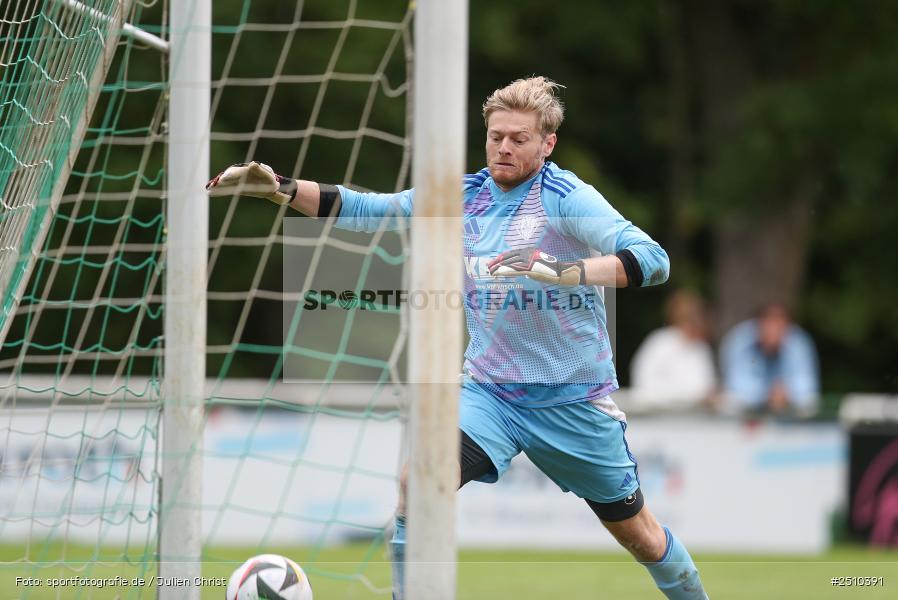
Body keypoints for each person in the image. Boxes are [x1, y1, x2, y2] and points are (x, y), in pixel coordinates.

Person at [207, 77, 709, 599]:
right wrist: (282, 188)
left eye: (519, 138)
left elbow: (653, 260)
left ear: (548, 143)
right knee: (419, 482)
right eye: (496, 136)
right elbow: (368, 210)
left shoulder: (565, 198)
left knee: (642, 538)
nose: (504, 147)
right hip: (491, 394)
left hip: (573, 404)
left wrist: (562, 270)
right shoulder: (464, 196)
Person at [719, 302, 819, 416]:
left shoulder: (799, 343)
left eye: (778, 325)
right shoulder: (739, 341)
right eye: (769, 325)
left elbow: (808, 393)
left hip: (790, 418)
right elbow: (734, 390)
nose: (773, 331)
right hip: (744, 418)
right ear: (757, 325)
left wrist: (788, 395)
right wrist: (766, 396)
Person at [630, 290, 717, 411]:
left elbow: (707, 385)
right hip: (661, 414)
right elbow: (643, 384)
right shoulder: (659, 343)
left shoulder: (701, 348)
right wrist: (692, 396)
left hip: (696, 416)